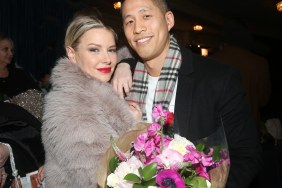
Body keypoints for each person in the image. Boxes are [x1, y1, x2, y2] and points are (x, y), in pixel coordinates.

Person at [111, 0, 261, 187]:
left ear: (169, 20)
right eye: (129, 21)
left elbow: (245, 155)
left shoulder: (218, 79)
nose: (138, 28)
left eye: (146, 16)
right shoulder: (125, 84)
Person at [41, 15, 141, 188]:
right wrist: (136, 129)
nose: (107, 59)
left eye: (111, 50)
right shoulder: (68, 108)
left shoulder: (100, 88)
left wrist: (126, 63)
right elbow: (103, 178)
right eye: (94, 50)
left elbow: (135, 52)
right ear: (72, 53)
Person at [212, 19, 272, 135]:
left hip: (218, 130)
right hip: (248, 129)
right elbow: (264, 99)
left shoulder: (210, 61)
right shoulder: (259, 62)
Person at [0, 33, 45, 188]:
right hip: (8, 137)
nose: (10, 53)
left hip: (33, 133)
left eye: (12, 50)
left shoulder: (20, 74)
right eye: (5, 49)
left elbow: (39, 99)